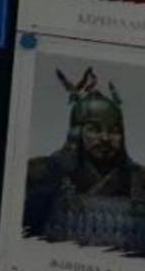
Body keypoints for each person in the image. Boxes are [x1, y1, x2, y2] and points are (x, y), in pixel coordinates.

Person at [23, 67, 145, 253]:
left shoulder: (140, 179)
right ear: (76, 132)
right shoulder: (40, 172)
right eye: (94, 129)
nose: (105, 138)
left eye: (114, 131)